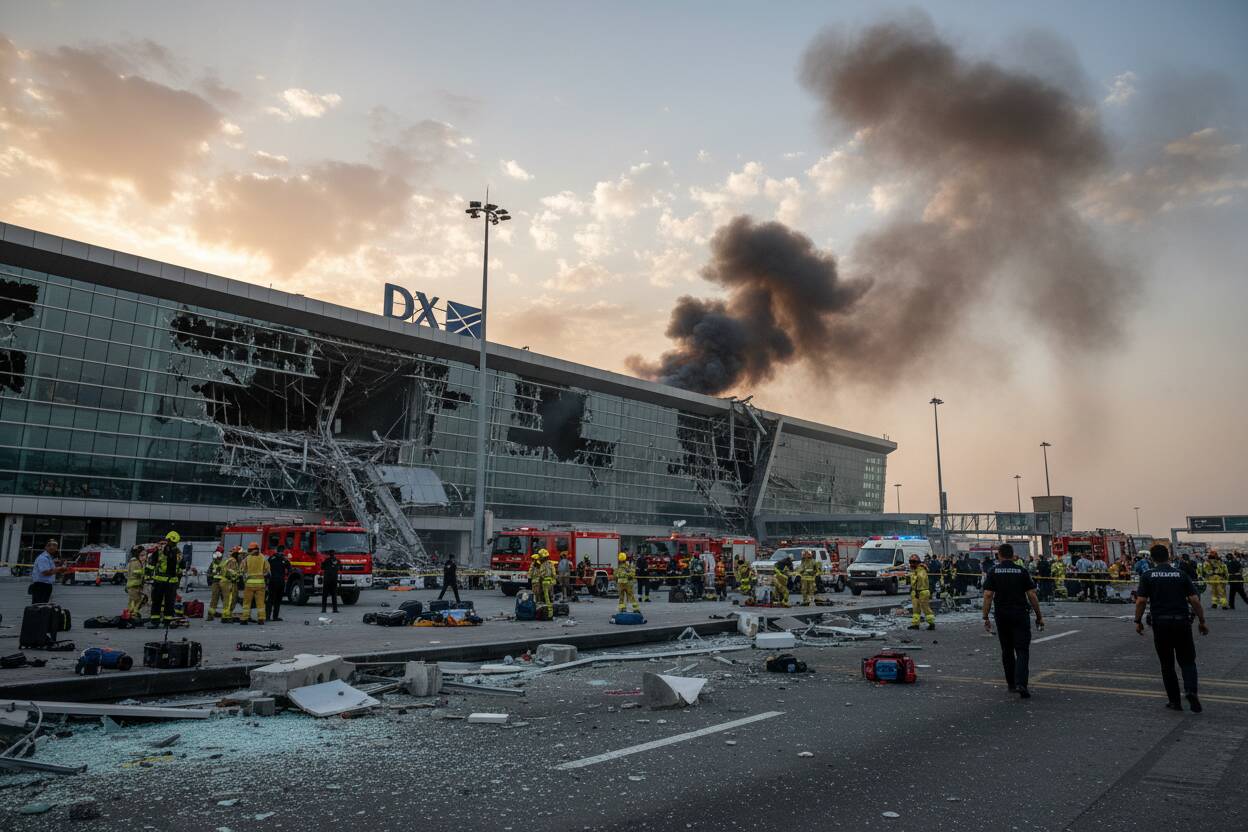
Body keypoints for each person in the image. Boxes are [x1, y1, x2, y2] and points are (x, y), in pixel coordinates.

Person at [1134, 543, 1208, 712]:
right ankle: (1191, 690)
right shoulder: (1180, 574)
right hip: (1182, 623)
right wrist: (1202, 621)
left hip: (1161, 624)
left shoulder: (1147, 576)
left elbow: (1141, 601)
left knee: (1167, 664)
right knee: (1187, 661)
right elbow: (1195, 600)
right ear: (1168, 556)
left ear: (1152, 559)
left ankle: (1175, 701)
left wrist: (1137, 621)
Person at [982, 543, 1045, 698]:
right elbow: (1032, 595)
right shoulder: (1021, 571)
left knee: (1007, 650)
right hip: (1020, 614)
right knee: (1022, 650)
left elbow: (988, 595)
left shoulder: (993, 571)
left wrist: (985, 616)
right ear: (1013, 555)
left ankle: (1011, 684)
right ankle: (1021, 683)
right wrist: (1039, 616)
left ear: (999, 555)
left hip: (1002, 616)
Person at [146, 532, 184, 629]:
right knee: (168, 602)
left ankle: (156, 621)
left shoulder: (160, 551)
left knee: (158, 602)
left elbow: (151, 564)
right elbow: (182, 567)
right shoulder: (179, 553)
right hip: (171, 582)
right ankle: (166, 621)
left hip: (160, 582)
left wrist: (147, 576)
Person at [28, 539, 63, 605]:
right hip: (41, 586)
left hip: (46, 585)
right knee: (39, 606)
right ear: (46, 547)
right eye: (49, 545)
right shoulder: (43, 558)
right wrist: (58, 569)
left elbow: (50, 570)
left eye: (54, 545)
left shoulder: (49, 558)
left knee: (43, 606)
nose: (52, 547)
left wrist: (58, 567)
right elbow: (45, 572)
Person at [906, 555, 935, 630]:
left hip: (922, 591)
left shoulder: (921, 570)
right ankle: (915, 624)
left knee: (925, 608)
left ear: (917, 562)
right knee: (916, 609)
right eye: (910, 562)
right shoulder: (915, 570)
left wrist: (915, 577)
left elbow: (921, 579)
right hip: (915, 591)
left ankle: (931, 623)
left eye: (913, 562)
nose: (911, 564)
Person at [267, 547, 290, 621]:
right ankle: (275, 617)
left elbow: (266, 567)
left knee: (270, 599)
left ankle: (267, 616)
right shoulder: (284, 559)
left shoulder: (271, 558)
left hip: (272, 581)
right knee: (277, 600)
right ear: (283, 551)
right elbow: (289, 568)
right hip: (280, 582)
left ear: (276, 551)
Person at [221, 546, 243, 623]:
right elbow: (231, 572)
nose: (241, 556)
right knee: (230, 600)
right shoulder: (233, 561)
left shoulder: (230, 560)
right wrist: (238, 575)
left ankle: (227, 615)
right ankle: (226, 616)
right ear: (236, 554)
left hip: (228, 582)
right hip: (229, 583)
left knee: (230, 600)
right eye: (240, 554)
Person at [124, 545, 147, 618]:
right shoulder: (135, 562)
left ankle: (131, 613)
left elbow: (126, 574)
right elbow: (135, 572)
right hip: (133, 585)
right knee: (136, 600)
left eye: (145, 555)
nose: (144, 557)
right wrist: (145, 572)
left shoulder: (136, 562)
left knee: (134, 600)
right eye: (142, 555)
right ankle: (133, 614)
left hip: (134, 585)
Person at [206, 548, 228, 620]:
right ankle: (224, 616)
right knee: (223, 599)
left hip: (219, 582)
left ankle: (211, 616)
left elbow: (209, 572)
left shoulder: (221, 562)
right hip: (220, 582)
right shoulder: (221, 562)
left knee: (216, 599)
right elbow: (209, 572)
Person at [538, 550, 556, 618]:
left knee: (546, 598)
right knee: (551, 597)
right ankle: (552, 612)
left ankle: (549, 613)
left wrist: (540, 579)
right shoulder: (551, 564)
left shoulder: (542, 565)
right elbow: (554, 574)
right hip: (551, 583)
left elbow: (541, 575)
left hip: (545, 583)